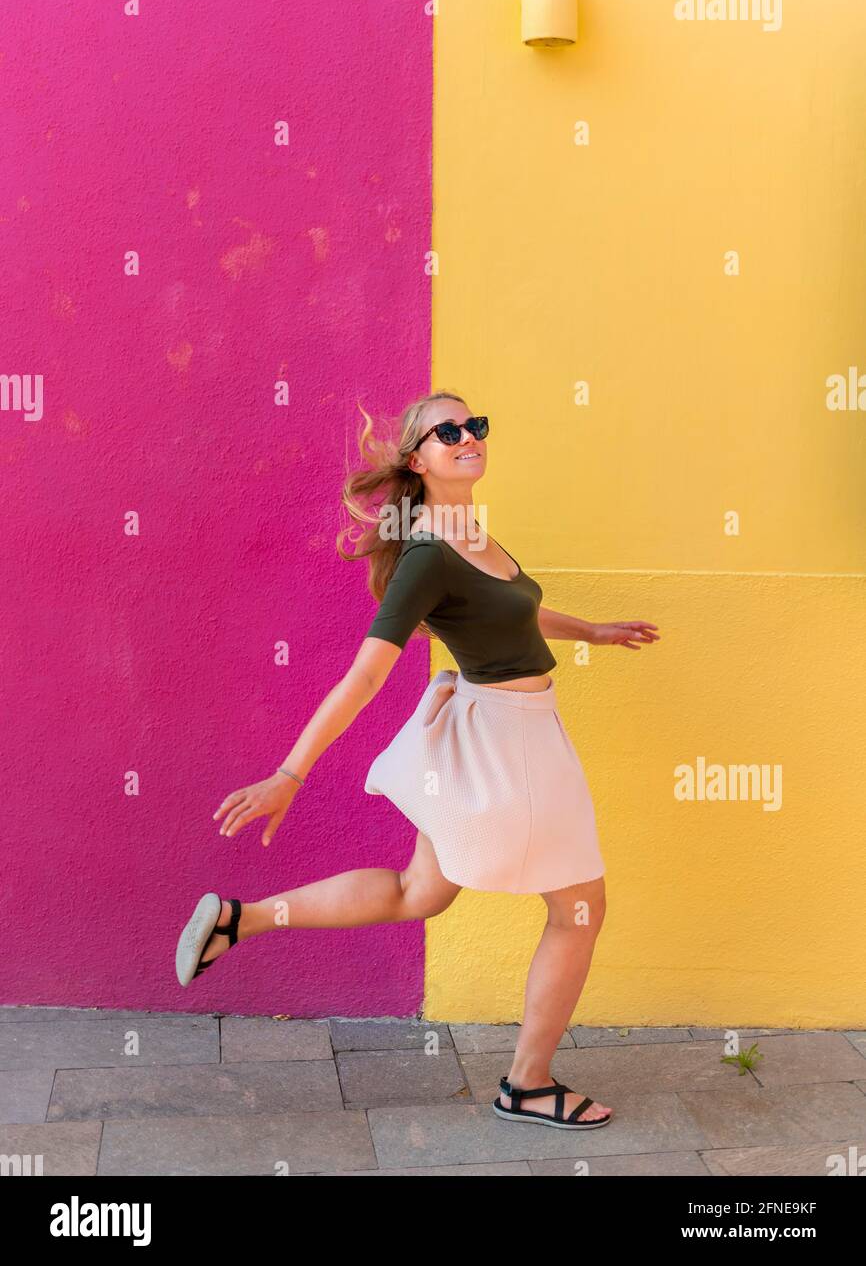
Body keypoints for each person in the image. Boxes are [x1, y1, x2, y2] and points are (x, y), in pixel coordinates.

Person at [175, 389, 660, 1130]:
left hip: (497, 733)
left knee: (418, 893)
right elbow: (365, 675)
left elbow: (517, 608)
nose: (468, 436)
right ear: (417, 459)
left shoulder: (470, 533)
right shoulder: (429, 554)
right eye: (449, 431)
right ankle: (528, 1083)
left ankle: (242, 920)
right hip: (508, 744)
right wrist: (290, 773)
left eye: (476, 425)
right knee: (578, 908)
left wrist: (593, 631)